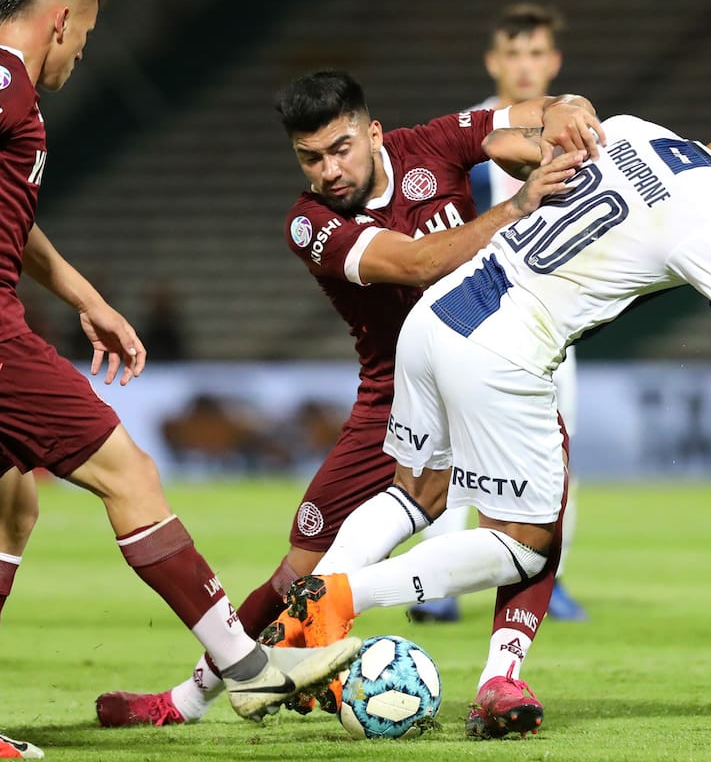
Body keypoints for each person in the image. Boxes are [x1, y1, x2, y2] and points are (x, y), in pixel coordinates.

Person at [0, 0, 359, 758]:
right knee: (131, 475)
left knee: (8, 513)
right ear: (62, 20)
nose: (82, 54)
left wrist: (86, 298)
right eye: (88, 37)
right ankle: (245, 665)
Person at [272, 81, 711, 739]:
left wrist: (567, 111)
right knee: (528, 546)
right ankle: (342, 599)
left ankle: (303, 633)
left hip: (437, 317)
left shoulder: (634, 128)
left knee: (417, 492)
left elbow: (510, 147)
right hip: (503, 353)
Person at [94, 70, 600, 735]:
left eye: (341, 149)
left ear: (374, 133)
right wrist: (516, 207)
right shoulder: (310, 223)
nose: (329, 170)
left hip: (494, 369)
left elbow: (526, 121)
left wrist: (570, 113)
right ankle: (185, 699)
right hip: (395, 397)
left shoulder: (432, 145)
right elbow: (417, 263)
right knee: (294, 572)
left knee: (537, 515)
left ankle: (500, 679)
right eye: (310, 158)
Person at [410, 1, 588, 625]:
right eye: (513, 53)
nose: (524, 65)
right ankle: (438, 587)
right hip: (478, 315)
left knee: (554, 452)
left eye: (536, 53)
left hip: (553, 324)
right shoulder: (472, 137)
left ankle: (550, 579)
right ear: (493, 60)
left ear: (554, 61)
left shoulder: (585, 139)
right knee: (450, 450)